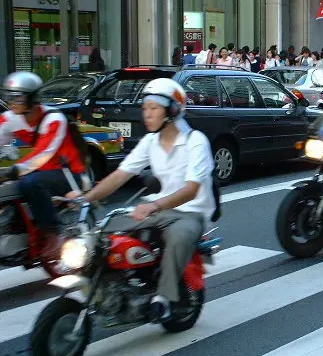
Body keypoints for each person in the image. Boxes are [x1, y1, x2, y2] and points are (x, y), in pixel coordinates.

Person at [67, 78, 216, 322]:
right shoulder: (150, 141)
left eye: (154, 108)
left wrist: (154, 205)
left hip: (191, 212)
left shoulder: (195, 141)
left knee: (178, 237)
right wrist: (85, 197)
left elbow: (191, 190)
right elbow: (120, 176)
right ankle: (110, 287)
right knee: (101, 234)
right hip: (157, 208)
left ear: (173, 110)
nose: (146, 114)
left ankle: (164, 299)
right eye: (145, 108)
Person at [0, 71, 87, 259]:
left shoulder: (54, 119)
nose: (11, 101)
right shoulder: (8, 118)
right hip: (39, 172)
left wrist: (13, 170)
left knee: (28, 182)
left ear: (32, 98)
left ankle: (53, 232)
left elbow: (43, 154)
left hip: (68, 173)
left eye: (17, 97)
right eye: (8, 96)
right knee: (10, 188)